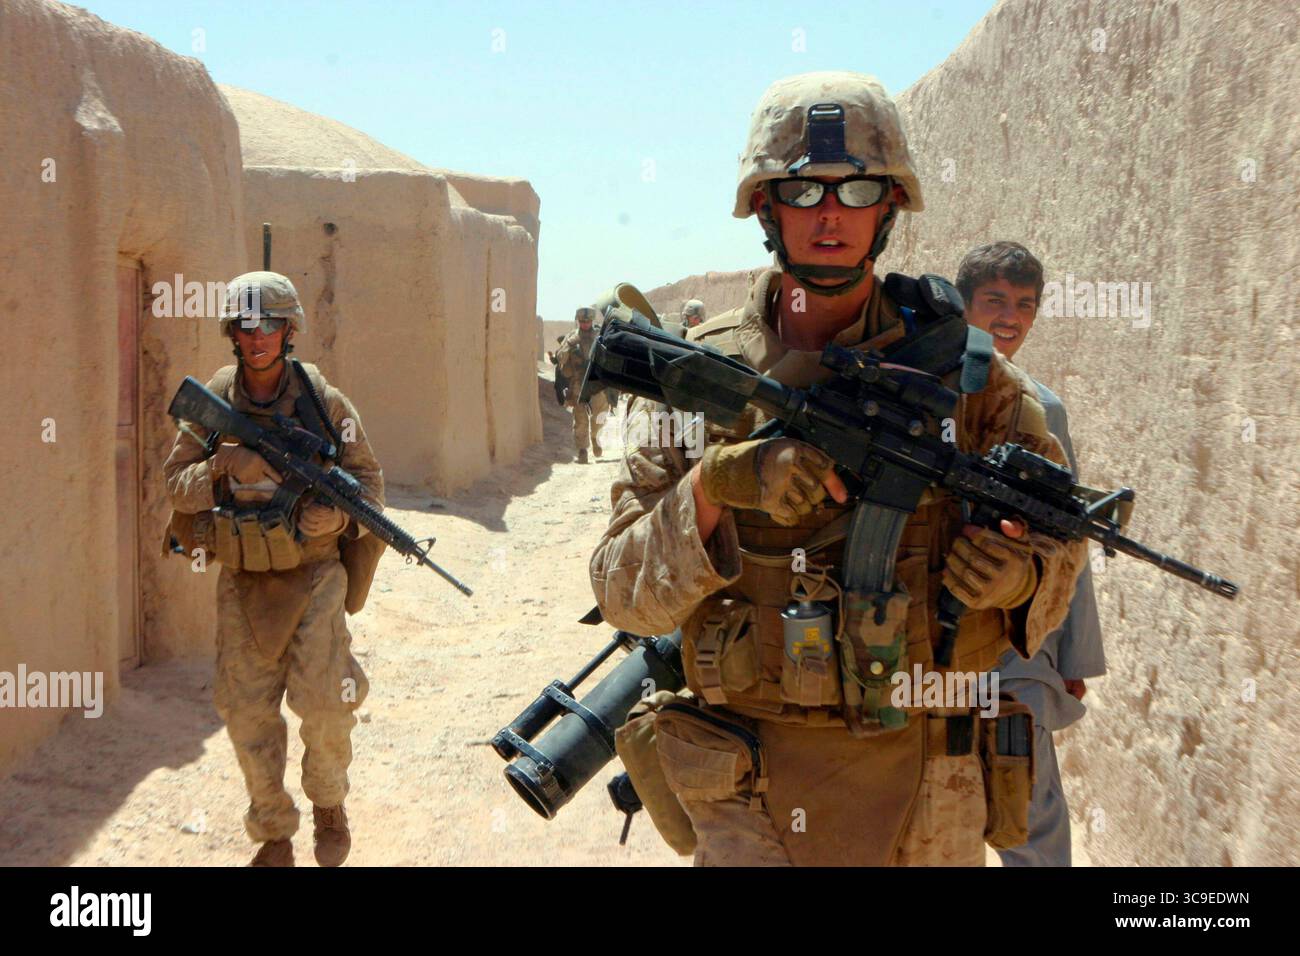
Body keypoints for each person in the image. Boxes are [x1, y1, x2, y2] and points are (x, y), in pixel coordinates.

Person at [589, 72, 1086, 866]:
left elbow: (1063, 552)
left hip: (932, 779)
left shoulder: (973, 378)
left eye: (856, 190)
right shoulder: (699, 380)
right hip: (748, 787)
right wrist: (716, 488)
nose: (830, 214)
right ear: (764, 206)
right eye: (803, 190)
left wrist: (1016, 577)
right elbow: (621, 592)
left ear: (889, 208)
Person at [163, 271, 384, 867]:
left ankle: (329, 805)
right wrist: (222, 464)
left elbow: (370, 489)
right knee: (245, 710)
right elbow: (177, 486)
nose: (256, 335)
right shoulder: (216, 397)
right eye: (245, 323)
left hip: (314, 575)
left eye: (269, 323)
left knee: (327, 703)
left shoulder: (324, 401)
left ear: (290, 331)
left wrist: (338, 522)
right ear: (232, 332)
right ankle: (273, 830)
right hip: (242, 579)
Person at [957, 240, 1105, 866]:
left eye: (1025, 304)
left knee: (1031, 805)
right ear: (964, 307)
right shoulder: (924, 392)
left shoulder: (1045, 410)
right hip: (926, 644)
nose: (1010, 316)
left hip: (1017, 642)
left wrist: (1071, 651)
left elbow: (1070, 539)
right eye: (994, 300)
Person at [552, 306, 610, 463]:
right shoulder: (571, 337)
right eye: (582, 321)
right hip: (577, 382)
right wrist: (569, 345)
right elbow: (560, 358)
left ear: (592, 321)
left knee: (600, 415)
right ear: (578, 321)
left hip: (596, 382)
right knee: (580, 418)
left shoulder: (600, 335)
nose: (585, 324)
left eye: (588, 321)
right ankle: (582, 450)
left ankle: (595, 437)